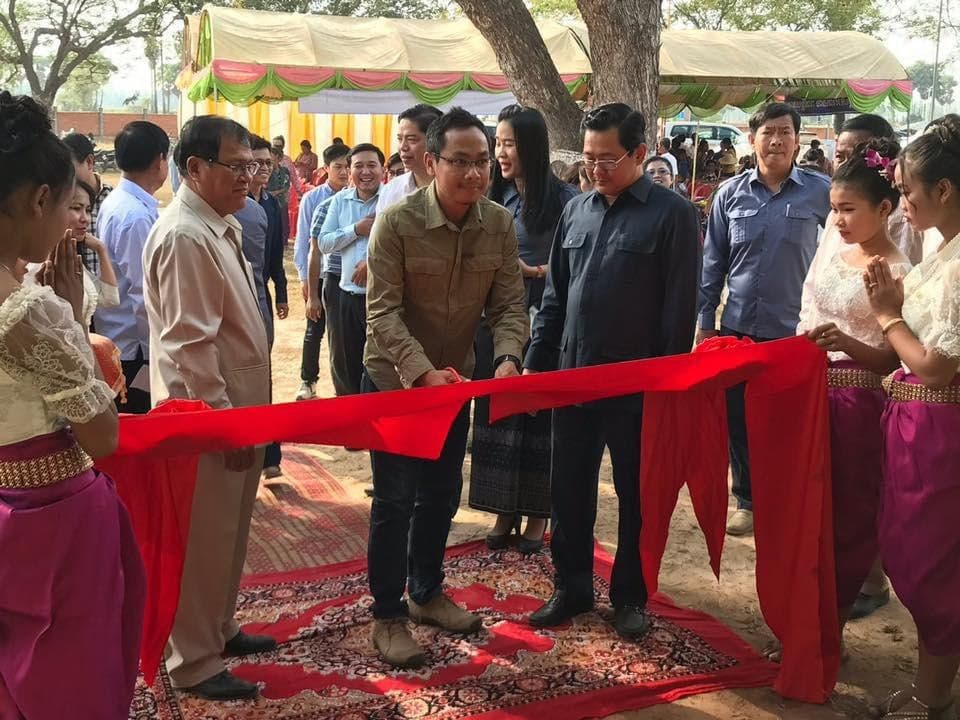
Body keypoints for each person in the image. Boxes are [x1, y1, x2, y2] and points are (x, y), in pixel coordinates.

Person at [524, 103, 700, 640]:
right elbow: (555, 296)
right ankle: (572, 584)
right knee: (568, 489)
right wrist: (537, 364)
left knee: (635, 494)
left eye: (608, 158)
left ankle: (630, 595)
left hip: (635, 389)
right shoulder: (576, 211)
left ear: (640, 155)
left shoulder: (673, 215)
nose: (595, 168)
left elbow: (678, 312)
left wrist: (663, 387)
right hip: (572, 381)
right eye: (588, 158)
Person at [363, 106, 528, 668]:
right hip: (395, 382)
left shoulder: (498, 224)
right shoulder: (398, 221)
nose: (476, 173)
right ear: (432, 162)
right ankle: (387, 614)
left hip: (455, 386)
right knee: (393, 499)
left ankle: (426, 592)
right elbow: (381, 315)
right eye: (461, 161)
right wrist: (421, 373)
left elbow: (509, 305)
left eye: (483, 161)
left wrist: (507, 358)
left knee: (441, 492)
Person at [0, 91, 144, 719]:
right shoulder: (31, 309)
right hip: (55, 519)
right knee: (71, 669)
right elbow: (103, 436)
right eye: (66, 205)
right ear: (37, 200)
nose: (68, 223)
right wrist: (79, 342)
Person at [144, 116, 275, 701]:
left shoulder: (216, 224)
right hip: (207, 416)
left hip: (237, 409)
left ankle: (218, 629)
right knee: (202, 540)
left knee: (230, 529)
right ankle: (193, 661)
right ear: (193, 168)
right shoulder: (184, 235)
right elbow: (190, 345)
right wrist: (224, 423)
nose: (248, 177)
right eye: (235, 166)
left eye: (253, 165)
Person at [793, 140, 910, 663]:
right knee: (803, 517)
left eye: (848, 209)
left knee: (846, 521)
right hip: (807, 399)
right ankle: (800, 624)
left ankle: (831, 632)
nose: (837, 220)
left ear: (884, 209)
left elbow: (891, 357)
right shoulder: (831, 252)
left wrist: (846, 344)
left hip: (859, 409)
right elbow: (806, 312)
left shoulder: (896, 269)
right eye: (833, 209)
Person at [862, 115, 960, 720]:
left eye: (908, 192)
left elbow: (937, 366)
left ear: (944, 190)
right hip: (915, 428)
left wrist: (886, 315)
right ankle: (931, 687)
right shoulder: (942, 250)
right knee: (916, 556)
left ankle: (933, 696)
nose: (903, 203)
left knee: (933, 562)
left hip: (940, 433)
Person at [697, 102, 831, 537]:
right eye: (768, 132)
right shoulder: (730, 195)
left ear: (797, 139)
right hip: (737, 328)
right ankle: (748, 501)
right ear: (752, 139)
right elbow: (712, 263)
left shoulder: (821, 192)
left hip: (797, 334)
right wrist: (704, 324)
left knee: (789, 420)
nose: (776, 140)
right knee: (739, 418)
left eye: (785, 132)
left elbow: (837, 258)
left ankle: (785, 498)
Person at [470, 104, 578, 553]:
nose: (500, 153)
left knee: (538, 419)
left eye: (508, 143)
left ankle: (538, 514)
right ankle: (503, 508)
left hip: (546, 319)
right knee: (501, 414)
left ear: (531, 146)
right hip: (499, 318)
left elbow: (578, 263)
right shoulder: (493, 195)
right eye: (498, 143)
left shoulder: (565, 199)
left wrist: (539, 272)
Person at [95, 120, 169, 414]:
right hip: (134, 349)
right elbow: (144, 294)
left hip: (121, 340)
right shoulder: (134, 216)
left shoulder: (120, 202)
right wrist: (156, 355)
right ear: (159, 160)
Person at [317, 143, 384, 396]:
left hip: (381, 300)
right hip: (347, 296)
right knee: (346, 364)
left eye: (371, 165)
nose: (365, 172)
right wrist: (357, 229)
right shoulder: (339, 202)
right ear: (350, 170)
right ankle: (354, 425)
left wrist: (373, 262)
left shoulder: (391, 199)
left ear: (382, 169)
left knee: (380, 367)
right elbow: (324, 242)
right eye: (358, 166)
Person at [297, 141, 351, 400]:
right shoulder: (314, 200)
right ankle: (308, 381)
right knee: (314, 330)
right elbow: (304, 242)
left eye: (346, 166)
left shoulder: (360, 198)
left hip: (347, 277)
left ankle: (345, 387)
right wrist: (305, 280)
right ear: (326, 169)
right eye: (338, 166)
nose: (343, 172)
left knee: (342, 337)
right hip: (318, 274)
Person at [834, 114, 923, 266]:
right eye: (840, 156)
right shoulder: (836, 208)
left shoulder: (904, 218)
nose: (848, 166)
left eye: (859, 156)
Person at [67, 180, 120, 330]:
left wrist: (101, 249)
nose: (85, 218)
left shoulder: (75, 258)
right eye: (76, 208)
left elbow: (110, 299)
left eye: (88, 210)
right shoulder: (38, 263)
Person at [61, 131, 113, 274]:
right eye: (76, 208)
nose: (84, 218)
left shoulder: (113, 201)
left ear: (89, 162)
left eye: (69, 169)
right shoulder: (60, 202)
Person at [377, 104, 443, 214]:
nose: (403, 147)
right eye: (400, 139)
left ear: (435, 141)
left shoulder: (456, 187)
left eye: (411, 140)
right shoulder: (391, 190)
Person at [267, 145, 293, 243]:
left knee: (283, 221)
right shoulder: (268, 170)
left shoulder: (284, 171)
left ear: (278, 157)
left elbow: (287, 185)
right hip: (269, 199)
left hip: (282, 200)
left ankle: (284, 240)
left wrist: (276, 192)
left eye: (272, 155)